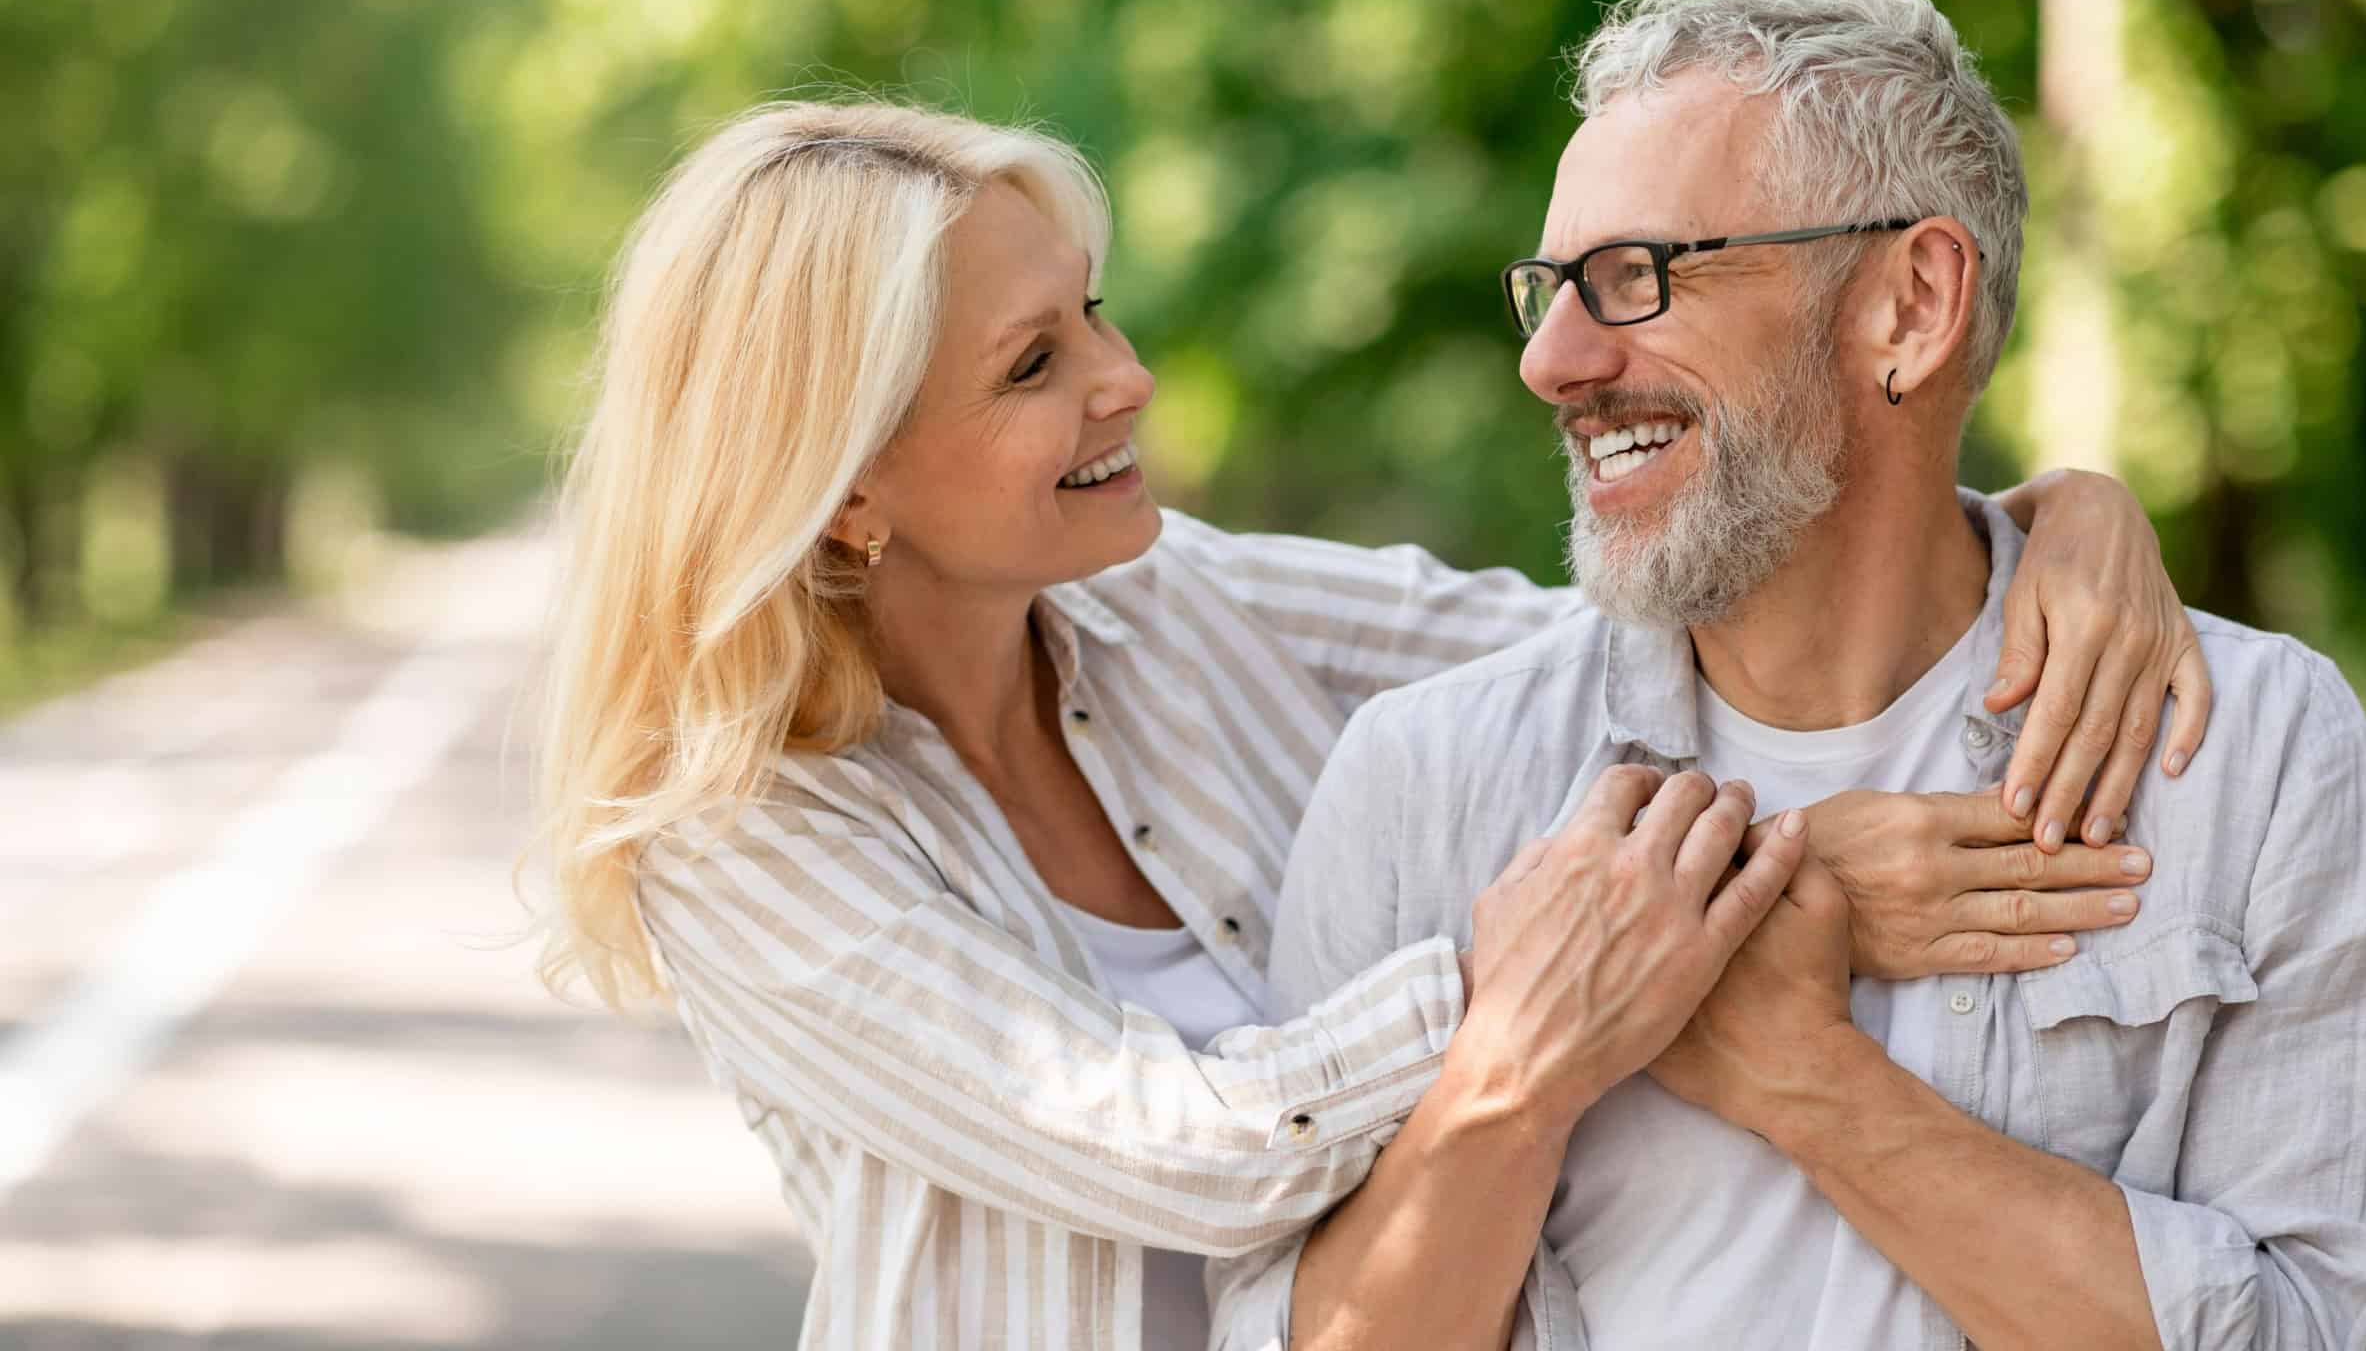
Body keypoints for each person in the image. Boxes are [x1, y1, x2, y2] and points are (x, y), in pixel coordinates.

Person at [521, 94, 2216, 1351]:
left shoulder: (1179, 601)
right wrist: (1709, 900)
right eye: (1030, 366)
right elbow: (1200, 1154)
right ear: (842, 496)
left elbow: (1634, 646)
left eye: (1094, 309)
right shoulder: (738, 840)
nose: (1127, 379)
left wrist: (2037, 527)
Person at [1220, 0, 2366, 1351]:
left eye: (1635, 278)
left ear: (1911, 304)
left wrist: (1808, 1078)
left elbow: (2331, 1331)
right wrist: (1533, 1055)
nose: (1551, 361)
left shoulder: (2250, 752)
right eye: (1549, 289)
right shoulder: (1425, 777)